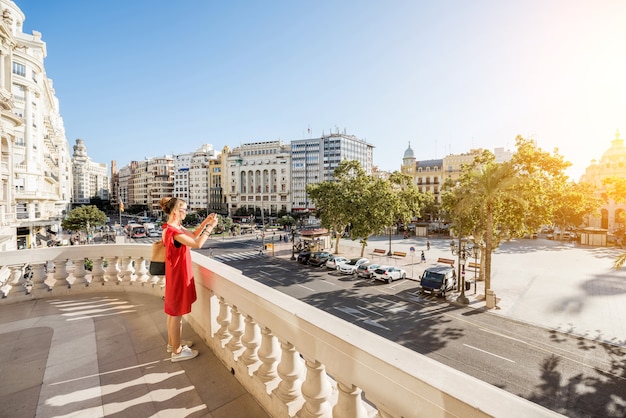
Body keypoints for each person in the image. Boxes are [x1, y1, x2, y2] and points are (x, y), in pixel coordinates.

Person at [160, 197, 218, 362]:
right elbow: (197, 243)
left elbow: (192, 234)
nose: (186, 212)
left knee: (173, 313)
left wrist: (206, 221)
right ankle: (177, 352)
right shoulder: (173, 231)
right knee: (176, 314)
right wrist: (211, 228)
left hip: (175, 273)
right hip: (178, 275)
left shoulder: (172, 227)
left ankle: (174, 343)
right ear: (176, 211)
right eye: (184, 209)